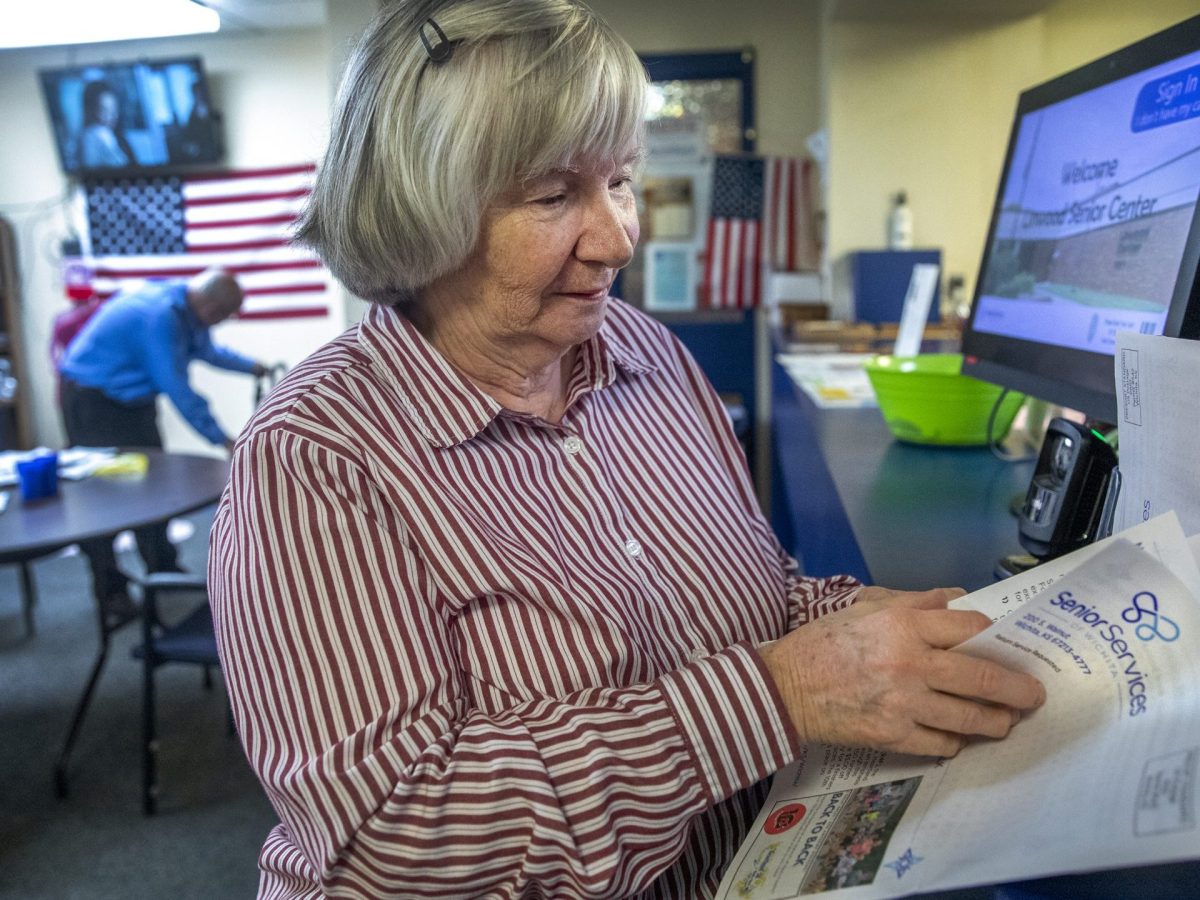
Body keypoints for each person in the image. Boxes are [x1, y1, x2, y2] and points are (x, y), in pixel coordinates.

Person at [208, 2, 1046, 898]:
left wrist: (864, 622)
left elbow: (733, 604)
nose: (616, 239)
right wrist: (779, 696)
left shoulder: (647, 354)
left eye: (621, 181)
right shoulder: (311, 458)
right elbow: (396, 841)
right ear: (420, 203)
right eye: (553, 195)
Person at [60, 269, 268, 624]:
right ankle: (112, 593)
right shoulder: (159, 317)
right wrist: (222, 438)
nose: (218, 324)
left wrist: (250, 367)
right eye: (220, 316)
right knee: (104, 500)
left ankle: (163, 568)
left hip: (132, 403)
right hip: (93, 401)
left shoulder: (185, 306)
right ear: (209, 303)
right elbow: (177, 387)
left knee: (152, 487)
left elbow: (206, 350)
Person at [79, 80, 135, 169]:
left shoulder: (121, 138)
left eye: (113, 109)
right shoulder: (90, 137)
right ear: (91, 111)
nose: (112, 116)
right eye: (104, 110)